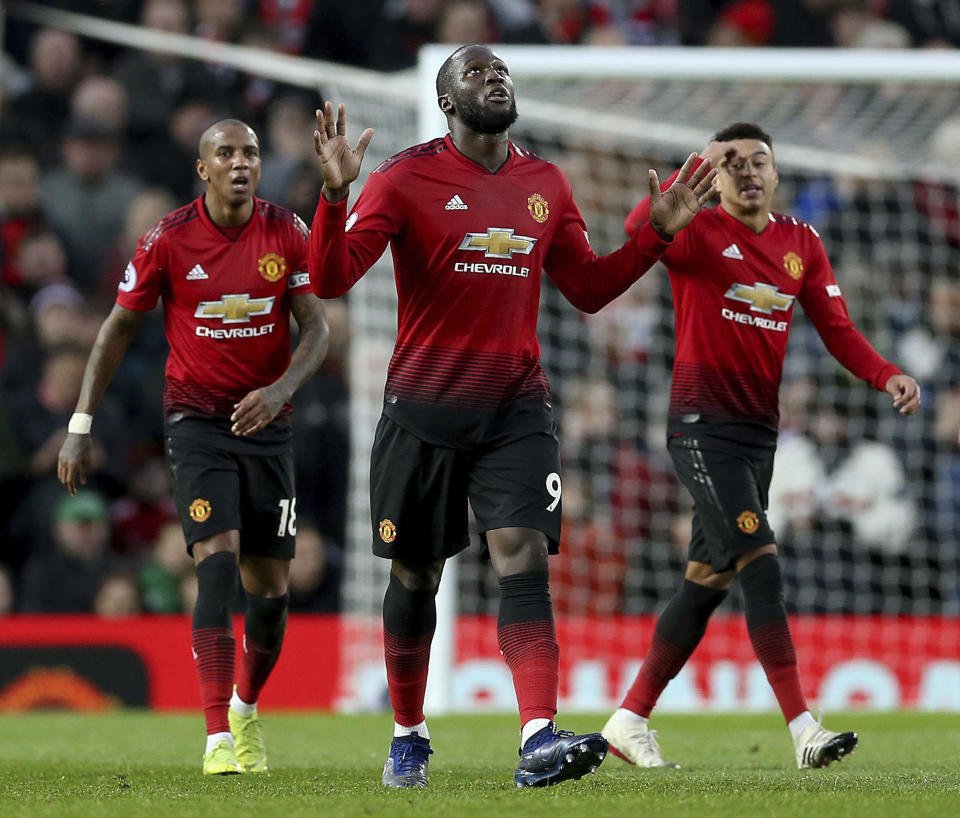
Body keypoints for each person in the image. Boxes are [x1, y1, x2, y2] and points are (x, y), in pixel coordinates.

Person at [307, 43, 716, 789]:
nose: (494, 76)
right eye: (475, 72)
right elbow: (329, 278)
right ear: (447, 102)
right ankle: (407, 732)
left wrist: (654, 235)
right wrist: (334, 198)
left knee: (522, 554)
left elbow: (588, 289)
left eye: (501, 69)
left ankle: (537, 737)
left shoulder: (545, 184)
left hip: (515, 409)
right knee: (415, 576)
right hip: (423, 411)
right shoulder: (404, 177)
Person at [601, 122, 921, 771]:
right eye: (732, 163)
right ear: (713, 175)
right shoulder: (695, 230)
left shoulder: (801, 242)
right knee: (761, 558)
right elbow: (642, 232)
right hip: (700, 426)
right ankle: (803, 728)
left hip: (758, 435)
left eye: (759, 161)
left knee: (705, 582)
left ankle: (628, 719)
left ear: (776, 174)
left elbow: (837, 328)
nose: (747, 171)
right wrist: (680, 184)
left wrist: (887, 373)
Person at [57, 119, 329, 775]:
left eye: (251, 153)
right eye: (226, 153)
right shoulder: (169, 239)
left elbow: (316, 329)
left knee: (270, 593)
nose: (241, 163)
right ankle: (214, 738)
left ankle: (244, 708)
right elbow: (117, 328)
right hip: (197, 420)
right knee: (214, 562)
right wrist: (81, 423)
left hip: (267, 424)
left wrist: (282, 386)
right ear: (203, 169)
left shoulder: (285, 232)